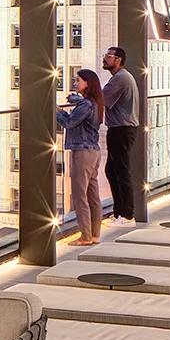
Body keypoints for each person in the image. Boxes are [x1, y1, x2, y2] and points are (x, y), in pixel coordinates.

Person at [55, 68, 107, 245]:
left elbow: (69, 123)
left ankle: (85, 236)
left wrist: (56, 111)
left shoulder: (85, 105)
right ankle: (94, 234)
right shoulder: (94, 103)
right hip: (94, 151)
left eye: (78, 80)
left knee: (79, 195)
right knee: (93, 195)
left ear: (87, 83)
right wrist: (77, 100)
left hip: (83, 152)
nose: (75, 83)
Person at [100, 46, 144, 223]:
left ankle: (126, 214)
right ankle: (119, 212)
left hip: (121, 130)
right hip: (121, 129)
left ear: (118, 59)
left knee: (120, 171)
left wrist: (80, 98)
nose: (105, 58)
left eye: (108, 56)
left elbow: (100, 99)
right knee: (112, 170)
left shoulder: (120, 78)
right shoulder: (122, 77)